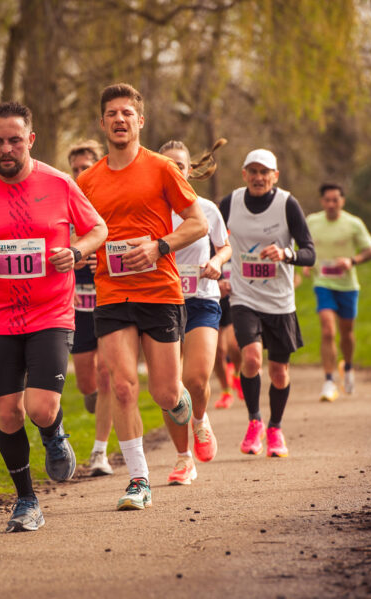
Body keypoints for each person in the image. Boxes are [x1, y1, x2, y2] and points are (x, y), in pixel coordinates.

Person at [0, 102, 107, 532]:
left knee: (40, 407)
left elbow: (98, 229)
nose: (6, 148)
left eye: (15, 139)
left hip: (50, 311)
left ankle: (54, 432)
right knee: (7, 414)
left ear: (30, 140)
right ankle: (27, 501)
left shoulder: (60, 183)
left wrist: (77, 252)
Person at [77, 83, 208, 510]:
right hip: (113, 293)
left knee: (166, 393)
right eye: (112, 113)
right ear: (102, 123)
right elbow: (80, 232)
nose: (119, 120)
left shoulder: (161, 168)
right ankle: (139, 480)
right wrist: (78, 252)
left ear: (140, 121)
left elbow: (198, 223)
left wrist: (160, 246)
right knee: (122, 386)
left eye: (127, 113)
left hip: (159, 290)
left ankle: (188, 410)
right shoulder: (87, 180)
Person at [219, 149, 315, 459]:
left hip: (280, 301)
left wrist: (286, 254)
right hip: (244, 297)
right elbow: (212, 241)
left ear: (275, 176)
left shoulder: (287, 204)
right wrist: (216, 272)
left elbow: (310, 252)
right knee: (250, 359)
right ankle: (254, 422)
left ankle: (275, 428)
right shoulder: (229, 203)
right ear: (244, 174)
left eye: (265, 172)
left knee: (278, 372)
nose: (259, 177)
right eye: (253, 171)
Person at [158, 139, 231, 485]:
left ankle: (200, 420)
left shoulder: (206, 208)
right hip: (159, 300)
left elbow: (225, 245)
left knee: (196, 379)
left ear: (190, 171)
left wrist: (217, 262)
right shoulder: (149, 209)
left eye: (181, 166)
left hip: (201, 298)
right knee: (168, 386)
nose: (175, 170)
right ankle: (183, 459)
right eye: (167, 165)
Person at [67, 140, 114, 476]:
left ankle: (100, 453)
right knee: (87, 380)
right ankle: (93, 397)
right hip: (78, 306)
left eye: (86, 167)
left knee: (109, 375)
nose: (80, 174)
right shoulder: (65, 204)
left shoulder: (112, 201)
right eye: (75, 169)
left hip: (111, 301)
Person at [304, 183, 371, 401]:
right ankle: (328, 380)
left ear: (342, 201)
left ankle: (349, 366)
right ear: (322, 202)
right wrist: (307, 262)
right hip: (323, 282)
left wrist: (352, 261)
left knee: (347, 333)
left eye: (336, 200)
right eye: (327, 200)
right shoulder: (312, 222)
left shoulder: (353, 224)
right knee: (327, 330)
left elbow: (370, 250)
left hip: (347, 285)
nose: (331, 204)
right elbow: (304, 245)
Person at [213, 258, 244, 409]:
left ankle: (238, 374)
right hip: (213, 299)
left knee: (234, 345)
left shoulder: (238, 238)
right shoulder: (208, 240)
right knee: (218, 352)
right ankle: (226, 391)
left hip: (234, 298)